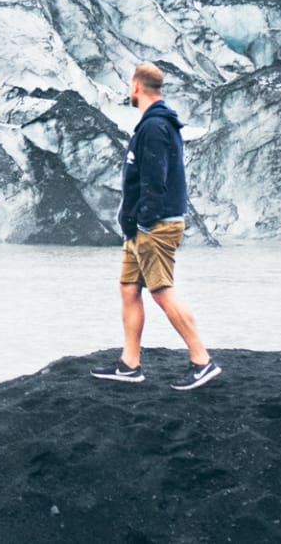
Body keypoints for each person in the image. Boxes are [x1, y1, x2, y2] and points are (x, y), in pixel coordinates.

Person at [91, 63, 220, 390]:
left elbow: (154, 182)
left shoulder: (155, 128)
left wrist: (144, 220)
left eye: (129, 86)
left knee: (161, 291)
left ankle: (202, 360)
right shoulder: (153, 125)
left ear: (137, 87)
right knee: (128, 288)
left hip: (155, 225)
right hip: (141, 227)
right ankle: (130, 364)